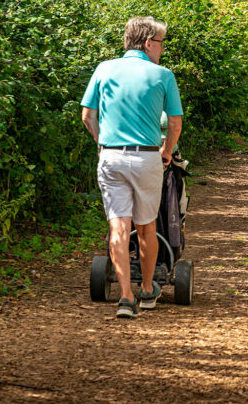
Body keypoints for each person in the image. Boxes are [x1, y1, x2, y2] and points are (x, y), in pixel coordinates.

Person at [81, 17, 183, 319]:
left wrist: (103, 143)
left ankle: (125, 296)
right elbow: (175, 123)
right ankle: (148, 289)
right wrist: (166, 152)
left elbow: (88, 115)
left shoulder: (104, 69)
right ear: (148, 42)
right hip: (146, 158)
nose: (162, 50)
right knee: (146, 226)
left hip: (111, 158)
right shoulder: (163, 75)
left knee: (118, 226)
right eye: (161, 43)